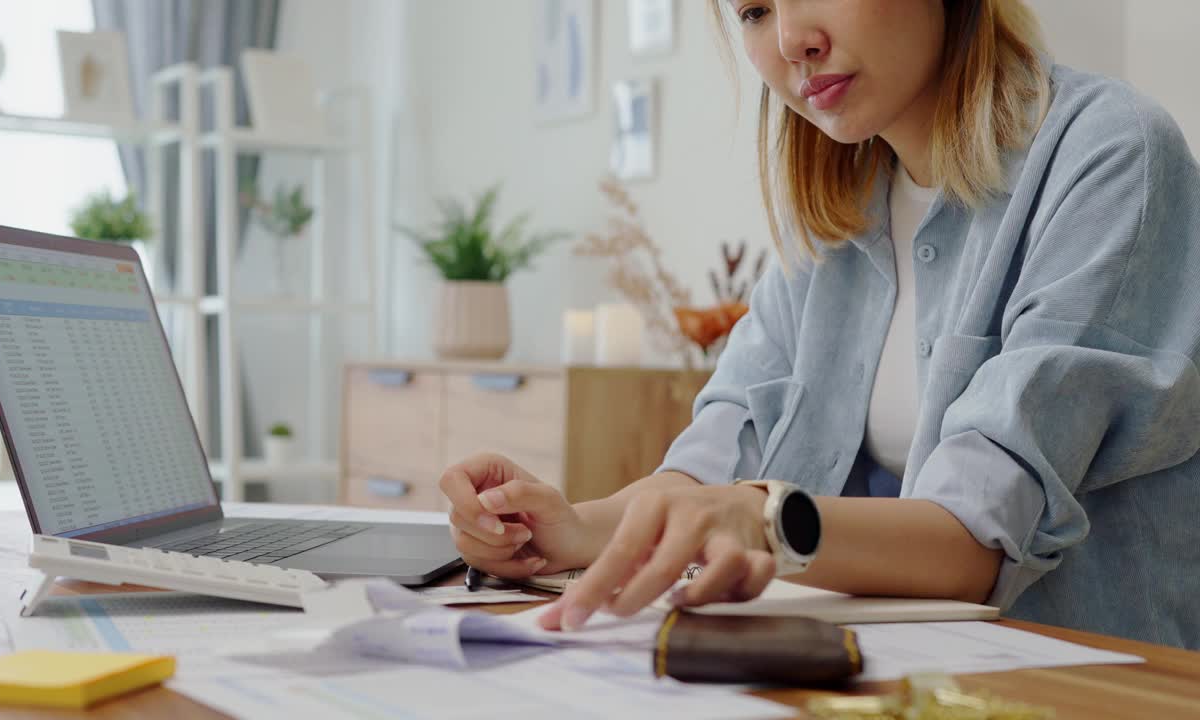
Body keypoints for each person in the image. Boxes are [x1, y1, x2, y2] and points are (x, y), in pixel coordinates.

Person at [439, 0, 1200, 649]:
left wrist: (759, 518)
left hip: (1090, 680)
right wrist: (572, 528)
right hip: (895, 671)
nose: (789, 41)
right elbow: (719, 451)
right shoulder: (834, 213)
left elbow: (976, 539)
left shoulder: (1109, 151)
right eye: (754, 11)